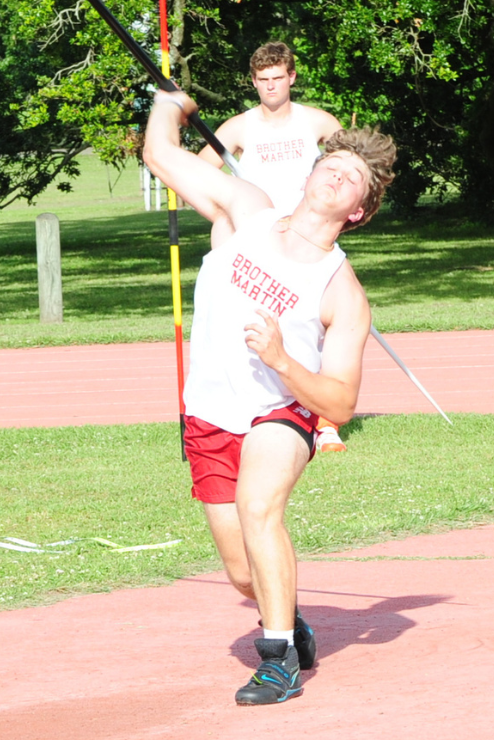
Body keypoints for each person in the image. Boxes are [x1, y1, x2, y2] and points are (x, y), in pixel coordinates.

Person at [142, 88, 396, 705]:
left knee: (261, 511)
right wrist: (169, 105)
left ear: (359, 211)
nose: (337, 175)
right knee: (239, 573)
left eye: (352, 179)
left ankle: (277, 659)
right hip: (208, 410)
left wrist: (282, 358)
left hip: (280, 412)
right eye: (332, 166)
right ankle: (289, 614)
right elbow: (159, 153)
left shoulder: (342, 292)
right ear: (310, 174)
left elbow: (338, 403)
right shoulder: (245, 211)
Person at [198, 41, 349, 453]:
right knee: (263, 328)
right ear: (253, 82)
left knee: (318, 330)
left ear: (292, 78)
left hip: (310, 241)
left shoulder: (316, 122)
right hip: (261, 243)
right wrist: (225, 219)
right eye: (262, 81)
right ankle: (261, 411)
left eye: (277, 79)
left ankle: (326, 423)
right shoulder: (239, 128)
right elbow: (201, 174)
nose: (270, 87)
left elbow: (351, 166)